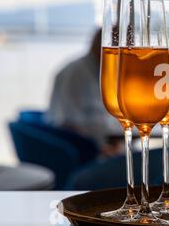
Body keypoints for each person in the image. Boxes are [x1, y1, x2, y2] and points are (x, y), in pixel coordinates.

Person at [46, 28, 123, 156]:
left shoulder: (105, 72)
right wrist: (99, 150)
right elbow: (67, 123)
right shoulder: (75, 73)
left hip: (109, 147)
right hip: (86, 156)